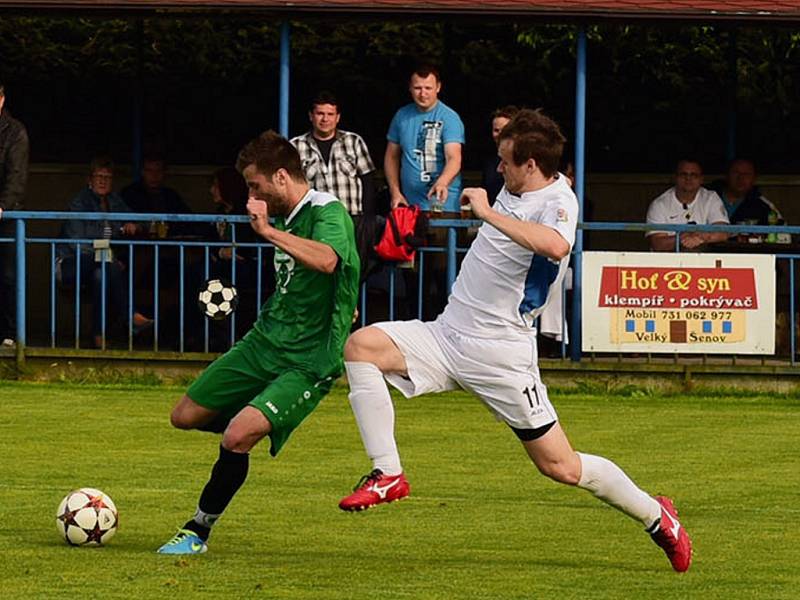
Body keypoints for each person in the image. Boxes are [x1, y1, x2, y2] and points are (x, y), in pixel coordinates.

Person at [338, 109, 692, 573]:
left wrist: (485, 212)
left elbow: (555, 246)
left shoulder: (558, 201)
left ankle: (655, 515)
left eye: (506, 161)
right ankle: (389, 473)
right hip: (447, 336)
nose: (499, 169)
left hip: (501, 355)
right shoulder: (517, 182)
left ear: (530, 164)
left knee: (560, 467)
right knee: (360, 346)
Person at [156, 130, 360, 555]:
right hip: (264, 342)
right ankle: (254, 418)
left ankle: (197, 530)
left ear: (281, 176)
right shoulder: (285, 217)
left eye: (254, 185)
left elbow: (327, 260)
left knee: (235, 438)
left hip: (308, 359)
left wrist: (267, 232)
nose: (251, 194)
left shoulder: (327, 212)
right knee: (184, 415)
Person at [57, 156, 152, 348]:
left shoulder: (114, 201)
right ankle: (130, 315)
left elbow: (143, 220)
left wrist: (134, 225)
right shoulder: (80, 203)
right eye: (98, 176)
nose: (102, 181)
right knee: (108, 262)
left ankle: (98, 335)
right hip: (70, 264)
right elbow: (78, 245)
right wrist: (107, 256)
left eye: (107, 177)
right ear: (89, 180)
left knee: (102, 275)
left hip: (101, 264)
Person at [385, 64, 465, 214]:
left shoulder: (450, 118)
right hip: (409, 205)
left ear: (438, 87)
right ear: (410, 88)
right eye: (418, 88)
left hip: (443, 205)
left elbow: (454, 158)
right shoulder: (401, 116)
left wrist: (442, 182)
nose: (423, 94)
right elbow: (391, 157)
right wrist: (395, 191)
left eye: (428, 88)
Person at [290, 91, 376, 222]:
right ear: (311, 116)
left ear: (338, 117)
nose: (325, 119)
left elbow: (368, 181)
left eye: (330, 114)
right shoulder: (296, 145)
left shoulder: (354, 141)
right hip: (314, 218)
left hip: (352, 217)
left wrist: (368, 217)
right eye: (320, 114)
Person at [0, 80, 29, 348]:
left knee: (7, 275)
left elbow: (16, 177)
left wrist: (3, 206)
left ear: (1, 100)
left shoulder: (15, 132)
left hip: (7, 216)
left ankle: (9, 333)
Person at [646, 159, 729, 252]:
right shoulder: (659, 204)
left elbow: (723, 232)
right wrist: (682, 237)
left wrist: (700, 237)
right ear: (675, 178)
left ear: (701, 179)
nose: (688, 178)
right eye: (683, 174)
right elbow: (658, 244)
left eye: (694, 175)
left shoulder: (711, 198)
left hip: (703, 260)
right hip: (668, 261)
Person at [708, 158, 785, 227]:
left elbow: (783, 232)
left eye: (746, 174)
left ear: (754, 179)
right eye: (736, 173)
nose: (740, 178)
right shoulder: (707, 197)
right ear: (727, 175)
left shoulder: (763, 205)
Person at [481, 105, 519, 205]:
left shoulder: (523, 161)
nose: (500, 134)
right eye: (496, 130)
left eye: (505, 130)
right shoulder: (490, 162)